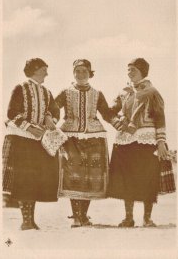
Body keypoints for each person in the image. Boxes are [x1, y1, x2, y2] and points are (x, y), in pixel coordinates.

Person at [108, 58, 168, 227]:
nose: (129, 73)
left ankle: (147, 218)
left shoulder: (152, 92)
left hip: (147, 141)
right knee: (127, 178)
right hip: (126, 140)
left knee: (147, 178)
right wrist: (118, 122)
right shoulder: (124, 92)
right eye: (128, 70)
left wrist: (161, 141)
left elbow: (160, 118)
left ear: (142, 71)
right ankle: (128, 217)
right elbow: (110, 112)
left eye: (133, 70)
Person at [2, 58, 59, 230]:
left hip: (38, 141)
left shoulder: (47, 92)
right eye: (44, 69)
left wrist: (50, 116)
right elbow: (12, 112)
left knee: (33, 180)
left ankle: (30, 221)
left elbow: (55, 110)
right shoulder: (20, 88)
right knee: (23, 179)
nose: (47, 73)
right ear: (34, 70)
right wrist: (29, 128)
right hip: (20, 139)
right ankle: (26, 221)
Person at [55, 59, 111, 228]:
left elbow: (107, 113)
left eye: (84, 71)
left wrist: (122, 123)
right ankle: (77, 217)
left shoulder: (97, 93)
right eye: (77, 71)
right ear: (73, 73)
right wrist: (48, 120)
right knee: (74, 176)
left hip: (95, 138)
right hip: (71, 138)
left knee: (90, 178)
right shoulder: (66, 92)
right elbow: (53, 109)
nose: (80, 74)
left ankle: (84, 215)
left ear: (90, 73)